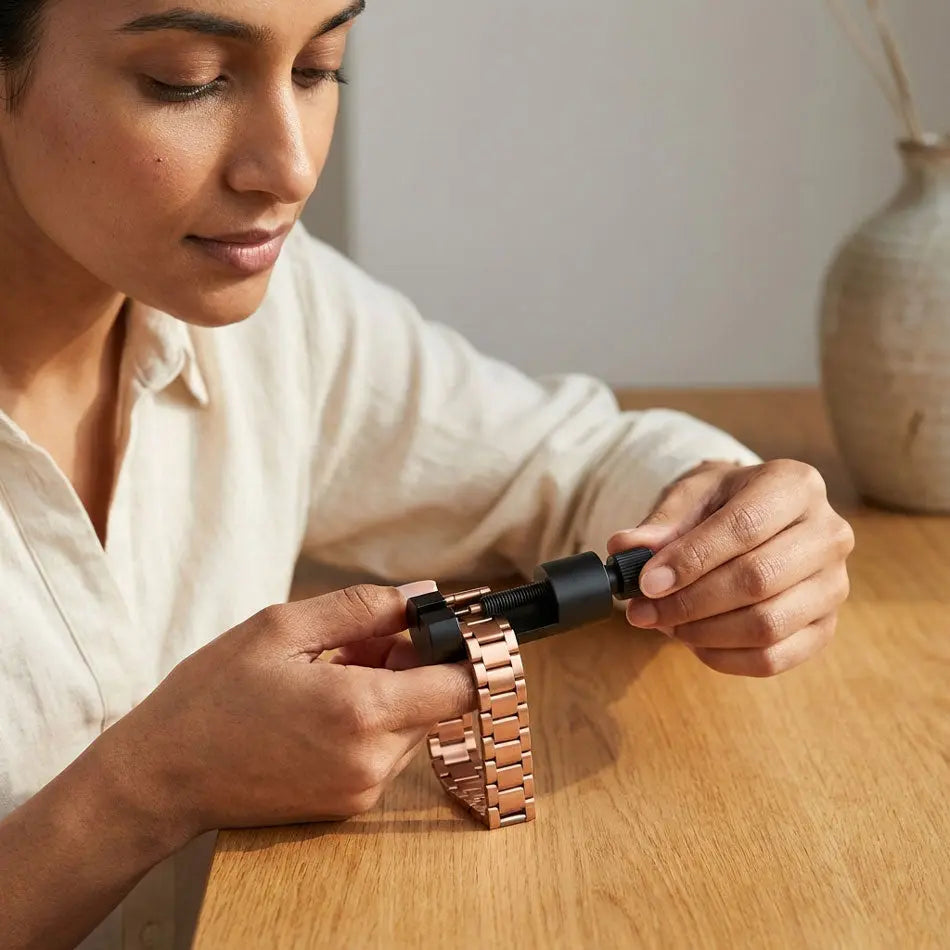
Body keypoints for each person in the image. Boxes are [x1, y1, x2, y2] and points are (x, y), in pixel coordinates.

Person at [0, 1, 855, 947]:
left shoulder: (284, 316)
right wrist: (148, 788)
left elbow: (566, 462)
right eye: (189, 80)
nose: (288, 169)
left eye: (319, 67)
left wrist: (731, 517)